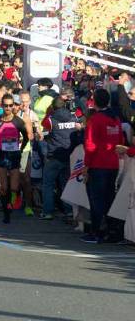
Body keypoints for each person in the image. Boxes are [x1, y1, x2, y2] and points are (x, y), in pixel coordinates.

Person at [82, 88, 123, 243]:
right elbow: (120, 141)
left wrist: (86, 166)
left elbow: (90, 145)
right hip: (113, 163)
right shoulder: (115, 118)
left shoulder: (96, 119)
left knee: (97, 200)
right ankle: (111, 231)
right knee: (109, 198)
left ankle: (97, 232)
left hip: (98, 164)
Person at [40, 96, 81, 220]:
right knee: (66, 184)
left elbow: (43, 125)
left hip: (54, 156)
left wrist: (49, 111)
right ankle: (68, 211)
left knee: (48, 184)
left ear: (53, 107)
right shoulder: (74, 117)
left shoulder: (50, 120)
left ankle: (47, 212)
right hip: (69, 156)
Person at [0, 95, 30, 224]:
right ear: (1, 106)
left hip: (14, 154)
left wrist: (21, 148)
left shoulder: (18, 121)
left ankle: (13, 199)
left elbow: (26, 137)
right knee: (4, 186)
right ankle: (6, 212)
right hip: (1, 154)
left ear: (13, 105)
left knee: (13, 186)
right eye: (5, 105)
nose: (8, 108)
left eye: (10, 105)